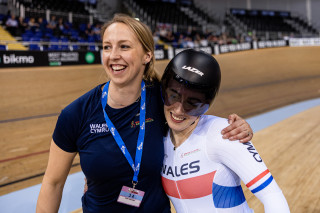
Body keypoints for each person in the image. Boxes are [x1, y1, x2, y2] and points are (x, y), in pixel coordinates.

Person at [36, 14, 253, 213]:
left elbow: (200, 122)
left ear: (147, 55)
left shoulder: (166, 102)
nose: (113, 56)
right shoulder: (76, 114)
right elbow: (53, 183)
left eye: (124, 47)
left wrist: (237, 126)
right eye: (107, 47)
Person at [160, 49, 290, 212]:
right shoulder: (159, 135)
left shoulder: (223, 133)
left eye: (192, 104)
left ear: (206, 104)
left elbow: (272, 196)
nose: (178, 111)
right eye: (172, 96)